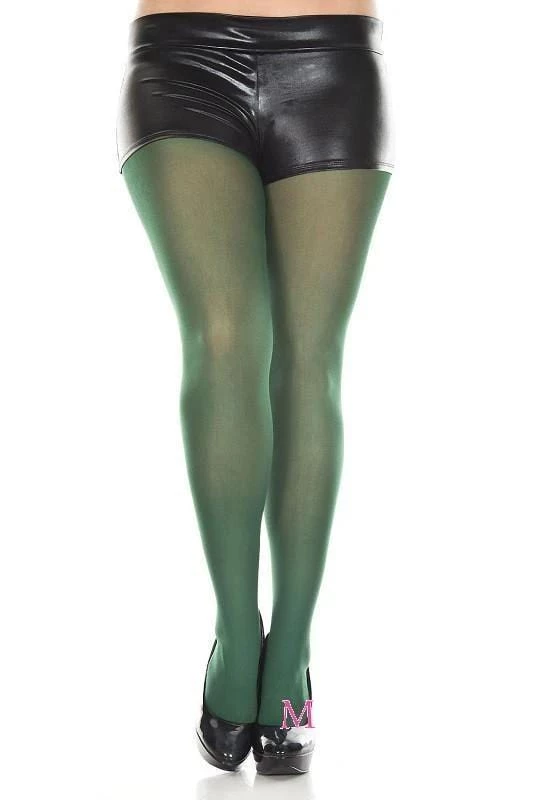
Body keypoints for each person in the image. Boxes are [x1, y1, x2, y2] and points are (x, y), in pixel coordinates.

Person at [116, 0, 394, 775]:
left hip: (333, 59)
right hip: (180, 57)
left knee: (310, 355)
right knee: (223, 336)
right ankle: (236, 635)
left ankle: (292, 653)